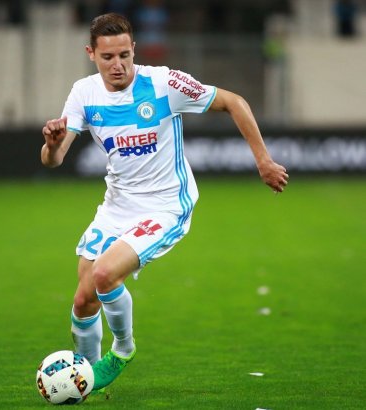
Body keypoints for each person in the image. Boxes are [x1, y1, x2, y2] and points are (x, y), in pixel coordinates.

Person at [41, 13, 288, 392]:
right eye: (108, 57)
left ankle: (123, 350)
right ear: (91, 53)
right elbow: (53, 161)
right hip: (117, 206)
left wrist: (264, 161)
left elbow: (234, 102)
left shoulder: (163, 83)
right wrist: (53, 143)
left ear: (134, 49)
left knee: (105, 275)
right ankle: (88, 376)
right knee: (83, 297)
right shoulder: (83, 93)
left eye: (125, 54)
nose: (118, 64)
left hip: (166, 206)